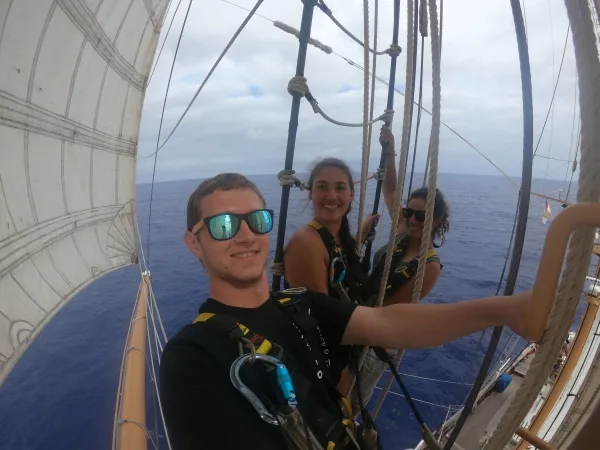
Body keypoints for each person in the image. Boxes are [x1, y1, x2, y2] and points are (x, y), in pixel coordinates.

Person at [159, 172, 533, 450]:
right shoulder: (193, 355)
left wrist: (500, 309)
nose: (244, 235)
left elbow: (388, 323)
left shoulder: (297, 304)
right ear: (194, 243)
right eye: (223, 225)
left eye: (257, 220)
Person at [352, 126, 450, 411]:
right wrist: (389, 149)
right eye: (410, 212)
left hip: (375, 342)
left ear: (436, 220)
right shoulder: (403, 231)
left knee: (351, 402)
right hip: (359, 319)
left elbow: (388, 311)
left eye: (422, 215)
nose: (413, 219)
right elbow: (391, 188)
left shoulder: (428, 267)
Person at [283, 157, 379, 396]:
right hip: (329, 373)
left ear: (351, 195)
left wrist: (362, 232)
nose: (332, 196)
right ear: (310, 194)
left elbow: (339, 271)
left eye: (340, 187)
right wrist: (341, 385)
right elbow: (320, 330)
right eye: (322, 187)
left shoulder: (338, 239)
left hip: (345, 354)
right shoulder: (306, 243)